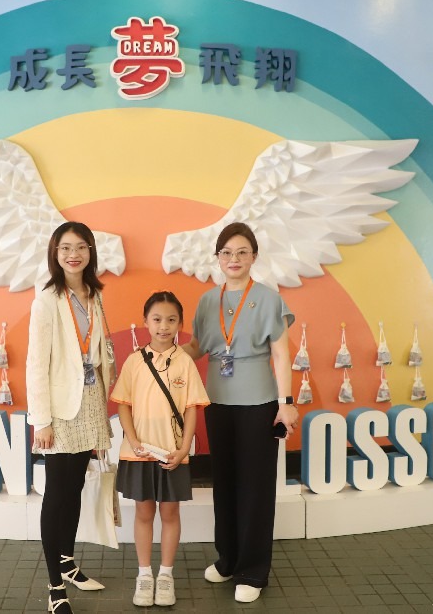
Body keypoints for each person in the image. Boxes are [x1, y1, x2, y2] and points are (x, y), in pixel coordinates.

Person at [181, 222, 297, 603]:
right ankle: (228, 559)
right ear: (218, 258)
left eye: (242, 252)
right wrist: (163, 356)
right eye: (227, 253)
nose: (234, 259)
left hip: (259, 406)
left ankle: (252, 570)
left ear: (254, 257)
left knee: (255, 488)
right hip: (217, 404)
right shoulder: (207, 301)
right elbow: (197, 347)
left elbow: (281, 354)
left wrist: (286, 403)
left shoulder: (269, 299)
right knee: (225, 484)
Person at [26, 222, 116, 614]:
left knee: (76, 486)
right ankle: (54, 588)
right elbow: (36, 363)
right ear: (55, 253)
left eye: (80, 247)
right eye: (65, 248)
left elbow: (98, 349)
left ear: (90, 252)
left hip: (90, 401)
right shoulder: (46, 300)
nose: (73, 254)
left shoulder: (95, 293)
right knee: (57, 493)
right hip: (60, 410)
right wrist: (41, 420)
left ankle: (67, 562)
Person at [111, 291, 209, 607]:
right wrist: (133, 440)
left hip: (172, 454)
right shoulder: (134, 361)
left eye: (171, 320)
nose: (163, 326)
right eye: (156, 319)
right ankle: (144, 575)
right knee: (143, 512)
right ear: (145, 322)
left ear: (180, 323)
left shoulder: (185, 362)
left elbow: (192, 408)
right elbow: (123, 405)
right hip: (139, 454)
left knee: (170, 512)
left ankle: (166, 575)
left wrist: (184, 449)